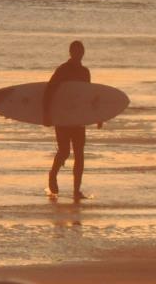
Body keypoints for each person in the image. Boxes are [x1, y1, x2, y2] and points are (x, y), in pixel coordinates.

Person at [42, 40, 99, 200]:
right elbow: (49, 91)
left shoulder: (85, 72)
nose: (78, 54)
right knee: (65, 151)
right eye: (76, 52)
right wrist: (47, 114)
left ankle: (76, 191)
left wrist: (99, 116)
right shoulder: (63, 70)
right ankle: (53, 174)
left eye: (81, 52)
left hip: (78, 118)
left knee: (80, 154)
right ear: (71, 53)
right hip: (63, 117)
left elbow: (88, 97)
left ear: (83, 53)